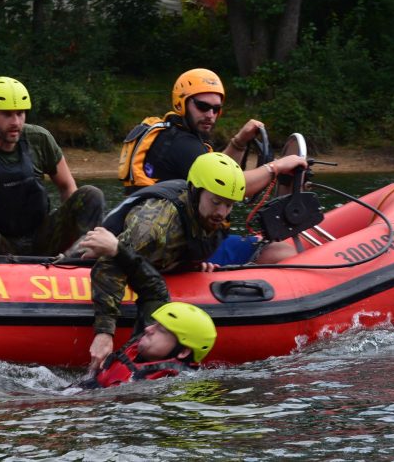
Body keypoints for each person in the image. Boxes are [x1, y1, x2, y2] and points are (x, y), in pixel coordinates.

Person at [81, 152, 298, 370]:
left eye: (229, 205)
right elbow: (109, 265)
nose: (222, 212)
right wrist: (104, 332)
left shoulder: (208, 212)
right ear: (195, 191)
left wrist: (187, 265)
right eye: (216, 202)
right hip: (106, 259)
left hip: (149, 266)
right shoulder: (154, 225)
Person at [0, 76, 104, 256]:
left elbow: (67, 187)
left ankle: (81, 256)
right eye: (6, 114)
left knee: (91, 194)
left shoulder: (39, 139)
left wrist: (74, 230)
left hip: (42, 239)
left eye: (20, 113)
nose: (16, 122)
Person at [118, 68, 273, 196]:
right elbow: (232, 186)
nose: (210, 115)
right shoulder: (182, 145)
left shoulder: (170, 134)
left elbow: (221, 172)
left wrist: (239, 142)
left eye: (216, 109)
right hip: (164, 230)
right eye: (202, 106)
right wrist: (276, 168)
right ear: (180, 103)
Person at [77, 301, 217, 388]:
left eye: (160, 330)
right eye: (154, 324)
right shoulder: (139, 353)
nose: (148, 329)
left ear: (184, 352)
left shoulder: (170, 386)